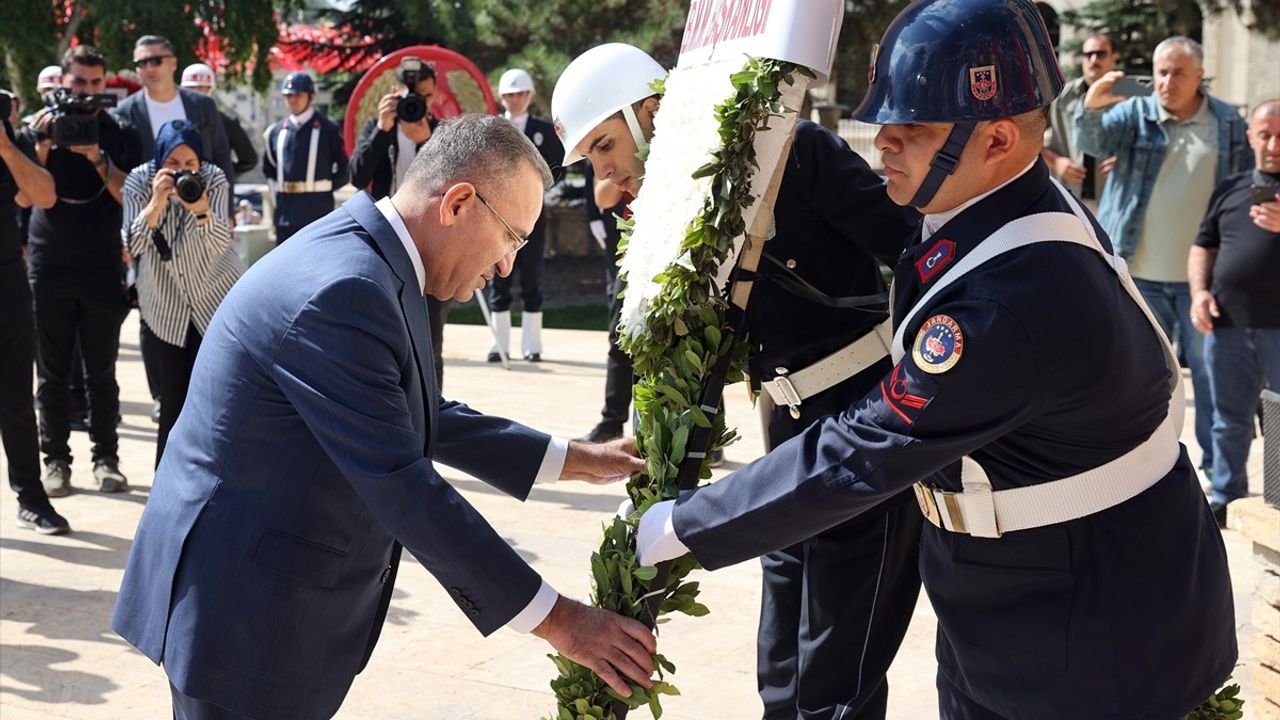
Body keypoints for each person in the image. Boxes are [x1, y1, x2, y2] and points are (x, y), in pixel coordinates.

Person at [632, 1, 1236, 718]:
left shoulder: (1010, 301)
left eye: (912, 126)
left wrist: (678, 525)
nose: (883, 140)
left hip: (1085, 638)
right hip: (1017, 610)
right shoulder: (987, 212)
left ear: (999, 139)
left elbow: (864, 449)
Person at [112, 114, 657, 719]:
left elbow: (410, 409)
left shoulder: (374, 258)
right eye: (512, 237)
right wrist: (562, 621)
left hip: (254, 594)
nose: (506, 266)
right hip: (239, 611)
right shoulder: (347, 288)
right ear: (457, 203)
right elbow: (404, 487)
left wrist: (574, 460)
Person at [554, 43, 923, 719]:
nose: (603, 176)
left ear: (650, 113)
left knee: (840, 672)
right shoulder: (672, 222)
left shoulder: (793, 153)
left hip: (864, 422)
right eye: (593, 160)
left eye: (606, 146)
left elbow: (915, 248)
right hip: (783, 435)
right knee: (780, 662)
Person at [1074, 36, 1253, 483]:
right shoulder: (1135, 113)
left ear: (1199, 76)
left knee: (1210, 383)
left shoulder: (1228, 122)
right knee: (1134, 380)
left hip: (1202, 283)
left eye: (1177, 73)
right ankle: (1135, 476)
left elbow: (1252, 183)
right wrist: (1093, 106)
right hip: (1137, 275)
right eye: (1159, 73)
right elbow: (1091, 140)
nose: (1166, 82)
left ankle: (1217, 479)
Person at [21, 45, 140, 497]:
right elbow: (29, 193)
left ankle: (106, 459)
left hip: (101, 265)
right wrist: (44, 142)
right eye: (79, 83)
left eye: (95, 83)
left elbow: (130, 195)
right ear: (63, 81)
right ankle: (55, 461)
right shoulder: (40, 126)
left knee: (101, 371)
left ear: (105, 83)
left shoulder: (119, 130)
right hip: (49, 263)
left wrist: (96, 156)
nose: (86, 92)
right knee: (50, 373)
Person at [121, 120, 244, 467]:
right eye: (173, 165)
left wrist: (201, 209)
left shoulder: (214, 178)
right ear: (159, 160)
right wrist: (156, 204)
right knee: (173, 400)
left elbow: (222, 243)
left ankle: (219, 476)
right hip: (167, 306)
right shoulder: (139, 181)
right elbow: (133, 244)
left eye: (190, 165)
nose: (182, 173)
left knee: (217, 396)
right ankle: (168, 481)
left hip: (213, 299)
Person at [1189, 98, 1280, 525]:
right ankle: (1226, 494)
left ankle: (1278, 501)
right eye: (1265, 134)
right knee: (1228, 420)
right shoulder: (1230, 187)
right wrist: (1199, 293)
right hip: (1227, 326)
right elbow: (1202, 245)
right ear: (1251, 137)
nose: (1274, 144)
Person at [348, 58, 448, 387]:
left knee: (430, 341)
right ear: (396, 92)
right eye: (413, 95)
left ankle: (434, 418)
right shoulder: (380, 127)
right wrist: (381, 130)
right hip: (385, 241)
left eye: (428, 96)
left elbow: (453, 181)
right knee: (383, 333)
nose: (419, 103)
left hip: (432, 244)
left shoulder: (442, 133)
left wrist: (426, 140)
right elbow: (357, 176)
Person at [1, 86, 69, 535]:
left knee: (15, 398)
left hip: (5, 276)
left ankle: (30, 495)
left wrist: (5, 145)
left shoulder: (8, 129)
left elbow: (42, 195)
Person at [486, 68, 564, 363]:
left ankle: (533, 345)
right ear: (501, 96)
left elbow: (559, 166)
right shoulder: (491, 127)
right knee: (498, 276)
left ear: (530, 95)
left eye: (520, 93)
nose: (515, 99)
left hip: (532, 215)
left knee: (532, 277)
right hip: (495, 213)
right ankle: (499, 344)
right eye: (509, 94)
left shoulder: (544, 131)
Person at [576, 158, 634, 443]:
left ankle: (704, 433)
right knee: (621, 338)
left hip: (681, 246)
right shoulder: (624, 143)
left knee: (691, 341)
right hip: (631, 252)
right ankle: (612, 422)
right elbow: (602, 197)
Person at [262, 72, 349, 244]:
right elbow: (269, 168)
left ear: (311, 97)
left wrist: (324, 189)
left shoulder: (329, 129)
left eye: (298, 94)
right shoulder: (275, 131)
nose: (293, 99)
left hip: (317, 212)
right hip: (285, 213)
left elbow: (345, 168)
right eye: (288, 95)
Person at [1042, 32, 1116, 209]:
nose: (1093, 59)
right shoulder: (1061, 96)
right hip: (1068, 196)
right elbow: (1028, 136)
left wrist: (1126, 160)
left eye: (1100, 53)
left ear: (1114, 58)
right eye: (1088, 54)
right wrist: (1056, 161)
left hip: (1112, 198)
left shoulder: (1126, 98)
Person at [180, 63, 258, 177]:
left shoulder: (227, 122)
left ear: (210, 90)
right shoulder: (174, 120)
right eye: (190, 89)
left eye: (200, 89)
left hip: (215, 188)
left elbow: (249, 158)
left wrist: (223, 174)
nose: (195, 94)